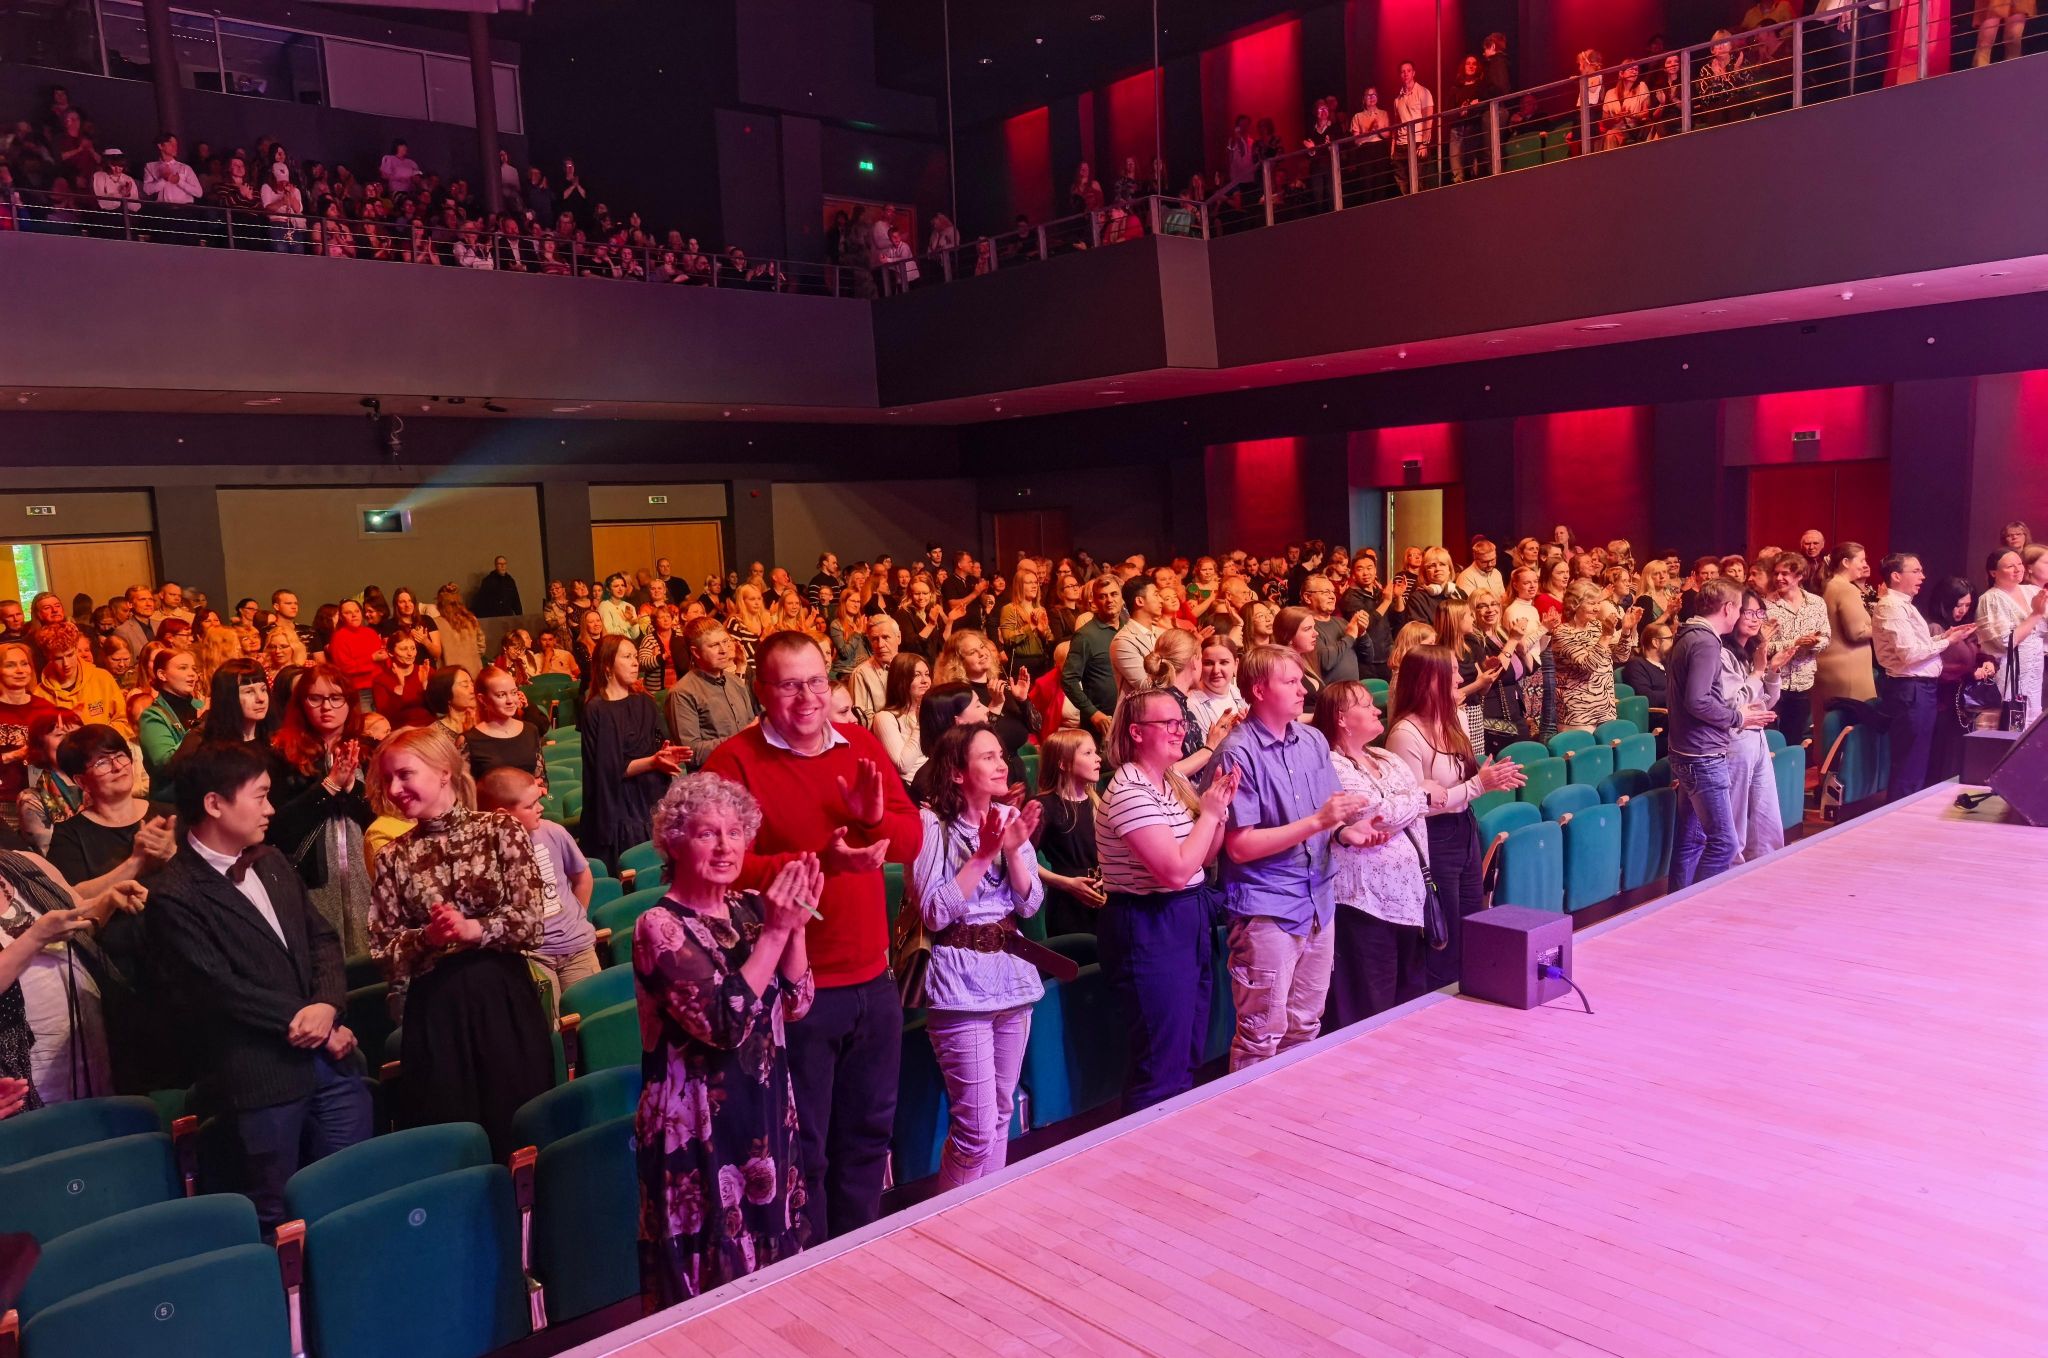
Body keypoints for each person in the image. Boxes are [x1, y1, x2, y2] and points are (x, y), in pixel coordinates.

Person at [701, 631, 922, 1242]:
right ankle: (814, 1268)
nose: (807, 697)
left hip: (873, 981)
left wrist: (872, 819)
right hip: (794, 992)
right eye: (790, 685)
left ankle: (861, 1256)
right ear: (761, 691)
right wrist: (817, 863)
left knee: (869, 1139)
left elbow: (910, 840)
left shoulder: (860, 743)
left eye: (817, 681)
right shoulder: (734, 763)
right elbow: (716, 867)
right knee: (807, 1152)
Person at [149, 741, 370, 1230]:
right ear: (214, 804)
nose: (271, 809)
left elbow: (322, 940)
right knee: (277, 1214)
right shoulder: (174, 893)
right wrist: (312, 1023)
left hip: (332, 1067)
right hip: (261, 1078)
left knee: (352, 1194)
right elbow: (218, 989)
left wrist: (328, 1006)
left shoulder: (271, 860)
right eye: (261, 796)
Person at [632, 774, 818, 1305]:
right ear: (674, 843)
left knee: (775, 1275)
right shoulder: (658, 926)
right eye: (706, 833)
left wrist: (796, 927)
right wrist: (777, 932)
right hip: (695, 1126)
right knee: (710, 1284)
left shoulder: (752, 907)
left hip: (763, 1111)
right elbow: (723, 1024)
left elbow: (797, 1003)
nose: (724, 846)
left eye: (734, 832)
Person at [368, 726, 551, 1159]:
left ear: (444, 772)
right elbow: (382, 951)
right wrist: (427, 938)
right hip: (436, 1014)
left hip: (503, 1001)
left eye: (405, 775)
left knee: (519, 1137)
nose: (394, 790)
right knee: (453, 1143)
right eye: (388, 779)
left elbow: (532, 924)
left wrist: (475, 930)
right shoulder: (393, 856)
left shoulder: (499, 829)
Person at [1207, 645, 1363, 1071]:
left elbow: (1329, 813)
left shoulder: (1312, 740)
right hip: (1267, 907)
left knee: (1305, 1026)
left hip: (1319, 900)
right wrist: (1318, 822)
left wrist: (1347, 831)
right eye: (1291, 682)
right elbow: (1239, 847)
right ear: (1259, 690)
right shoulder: (1237, 753)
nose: (1303, 690)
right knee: (1261, 1036)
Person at [911, 725, 1045, 1187]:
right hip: (959, 982)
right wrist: (985, 854)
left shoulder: (1009, 817)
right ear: (956, 772)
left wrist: (1013, 852)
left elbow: (1030, 904)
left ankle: (989, 1210)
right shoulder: (932, 826)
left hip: (1011, 973)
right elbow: (934, 912)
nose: (1002, 764)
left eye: (1001, 755)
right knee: (974, 1130)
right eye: (987, 757)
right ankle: (949, 1218)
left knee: (1002, 1113)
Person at [1094, 687, 1236, 1110]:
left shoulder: (1170, 782)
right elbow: (1174, 873)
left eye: (1181, 722)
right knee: (1160, 1063)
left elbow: (1202, 859)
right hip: (1149, 924)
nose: (1181, 731)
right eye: (1169, 723)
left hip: (1186, 917)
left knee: (1188, 1051)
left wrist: (1219, 813)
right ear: (1136, 732)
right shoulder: (1129, 791)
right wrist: (1209, 814)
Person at [1386, 647, 1524, 989]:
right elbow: (1416, 806)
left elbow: (1457, 785)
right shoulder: (1404, 734)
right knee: (1443, 931)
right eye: (1452, 671)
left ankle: (1466, 990)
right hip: (1432, 837)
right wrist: (1477, 785)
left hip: (1463, 827)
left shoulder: (1454, 719)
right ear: (1429, 680)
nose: (1460, 679)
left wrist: (1488, 777)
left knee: (1469, 918)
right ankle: (1437, 998)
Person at [1311, 681, 1431, 1025]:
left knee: (1408, 1004)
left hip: (1410, 895)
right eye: (1366, 705)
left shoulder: (1386, 757)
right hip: (1365, 903)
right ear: (1341, 718)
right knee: (1370, 1009)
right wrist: (1419, 797)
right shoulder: (1331, 764)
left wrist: (1411, 800)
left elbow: (1401, 806)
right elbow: (1375, 812)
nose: (1377, 709)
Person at [0, 838, 146, 1107]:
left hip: (89, 1041)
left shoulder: (25, 863)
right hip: (24, 1069)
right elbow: (43, 933)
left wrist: (106, 903)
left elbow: (76, 928)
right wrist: (35, 937)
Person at [1667, 580, 1777, 889]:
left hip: (1689, 750)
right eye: (1741, 609)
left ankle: (1676, 905)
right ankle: (1696, 906)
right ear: (1728, 608)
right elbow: (1698, 701)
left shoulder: (1690, 635)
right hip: (1702, 753)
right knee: (1724, 844)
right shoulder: (1706, 642)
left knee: (1692, 839)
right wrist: (1738, 717)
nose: (1743, 615)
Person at [268, 665, 375, 957]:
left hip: (366, 880)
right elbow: (278, 828)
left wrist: (352, 788)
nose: (326, 707)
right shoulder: (282, 754)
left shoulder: (369, 751)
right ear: (302, 703)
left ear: (349, 702)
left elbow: (381, 820)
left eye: (335, 698)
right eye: (315, 698)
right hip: (311, 882)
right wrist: (328, 786)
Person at [477, 766, 601, 1009]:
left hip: (577, 948)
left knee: (590, 1014)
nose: (541, 808)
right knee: (547, 1023)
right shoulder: (485, 854)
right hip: (532, 956)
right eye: (531, 805)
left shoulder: (553, 831)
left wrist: (576, 918)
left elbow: (582, 876)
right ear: (503, 815)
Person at [1874, 554, 1976, 803]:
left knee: (1917, 759)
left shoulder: (1904, 605)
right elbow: (1909, 654)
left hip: (1919, 688)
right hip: (1910, 688)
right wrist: (1948, 642)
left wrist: (1946, 636)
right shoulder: (1892, 606)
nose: (1923, 577)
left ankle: (1906, 809)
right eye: (1916, 571)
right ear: (1896, 576)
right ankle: (1899, 813)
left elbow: (1917, 646)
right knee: (1909, 761)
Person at [579, 635, 685, 870]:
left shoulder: (644, 702)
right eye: (627, 657)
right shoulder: (596, 709)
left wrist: (666, 755)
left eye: (636, 656)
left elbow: (658, 745)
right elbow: (609, 769)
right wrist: (654, 761)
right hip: (618, 804)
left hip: (651, 794)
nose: (635, 662)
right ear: (607, 665)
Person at [1723, 592, 1790, 862]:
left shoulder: (1750, 652)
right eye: (1748, 613)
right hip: (1734, 739)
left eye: (1759, 613)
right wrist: (1758, 672)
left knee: (1765, 812)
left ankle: (1766, 864)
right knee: (1736, 813)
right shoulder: (1722, 653)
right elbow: (1736, 704)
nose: (1755, 619)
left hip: (1756, 737)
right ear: (1733, 613)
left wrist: (1772, 671)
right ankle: (1732, 870)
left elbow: (1765, 703)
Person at [1030, 728, 1105, 938]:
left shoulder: (1098, 801)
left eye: (1095, 752)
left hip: (1103, 898)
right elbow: (1022, 860)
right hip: (1067, 905)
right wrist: (1067, 884)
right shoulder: (1044, 806)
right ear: (1063, 764)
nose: (1098, 758)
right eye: (1088, 753)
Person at [1924, 578, 1995, 784]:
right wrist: (1971, 673)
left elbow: (1977, 653)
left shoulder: (1961, 627)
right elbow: (1941, 668)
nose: (1963, 610)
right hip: (1942, 703)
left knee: (1955, 758)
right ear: (1944, 603)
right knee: (1941, 758)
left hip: (1960, 704)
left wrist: (1987, 662)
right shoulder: (1936, 628)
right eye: (1958, 605)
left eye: (1967, 605)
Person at [665, 619, 757, 771]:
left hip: (747, 769)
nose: (724, 650)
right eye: (714, 645)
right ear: (695, 652)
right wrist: (742, 737)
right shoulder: (682, 693)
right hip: (713, 778)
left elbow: (750, 727)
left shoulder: (735, 682)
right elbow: (690, 753)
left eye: (725, 641)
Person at [1974, 547, 2047, 730]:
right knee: (2011, 722)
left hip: (2034, 670)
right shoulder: (1991, 599)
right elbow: (2005, 642)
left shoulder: (2032, 591)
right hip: (2010, 672)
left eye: (2020, 564)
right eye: (2010, 566)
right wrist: (2035, 614)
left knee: (2032, 724)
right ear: (1993, 573)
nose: (2018, 569)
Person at [1551, 581, 1638, 731]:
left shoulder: (1597, 626)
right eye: (1592, 603)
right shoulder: (1562, 633)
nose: (1597, 608)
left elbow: (1620, 657)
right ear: (1574, 604)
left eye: (1598, 603)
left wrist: (1625, 631)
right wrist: (1605, 636)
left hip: (1605, 708)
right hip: (1578, 712)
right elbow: (1588, 665)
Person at [1762, 553, 1829, 745]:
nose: (1778, 578)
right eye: (1776, 573)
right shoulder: (1765, 605)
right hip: (1773, 683)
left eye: (1785, 573)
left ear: (1800, 575)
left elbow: (1826, 637)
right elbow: (1761, 646)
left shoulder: (1816, 603)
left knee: (1794, 738)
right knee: (1771, 740)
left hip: (1803, 681)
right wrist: (1795, 643)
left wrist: (1814, 643)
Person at [0, 642, 57, 833]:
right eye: (10, 665)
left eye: (24, 664)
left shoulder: (46, 709)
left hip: (41, 801)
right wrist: (13, 755)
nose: (20, 670)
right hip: (3, 802)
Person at [33, 622, 128, 733]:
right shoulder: (40, 695)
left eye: (70, 655)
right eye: (58, 658)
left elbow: (124, 720)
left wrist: (103, 738)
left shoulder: (102, 678)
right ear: (48, 657)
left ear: (75, 649)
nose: (66, 664)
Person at [1061, 577, 1122, 740]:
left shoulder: (1128, 627)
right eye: (1102, 596)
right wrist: (1092, 712)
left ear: (1121, 597)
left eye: (1114, 594)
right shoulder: (1085, 635)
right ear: (1094, 602)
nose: (1109, 600)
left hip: (1128, 718)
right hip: (1102, 725)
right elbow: (1068, 680)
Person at [465, 666, 545, 782]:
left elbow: (541, 778)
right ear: (482, 699)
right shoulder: (470, 741)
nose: (510, 700)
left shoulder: (530, 730)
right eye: (501, 695)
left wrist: (538, 788)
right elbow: (462, 788)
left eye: (514, 693)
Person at [871, 652, 930, 783]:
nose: (925, 680)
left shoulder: (931, 710)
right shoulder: (884, 718)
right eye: (917, 675)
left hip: (938, 781)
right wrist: (920, 725)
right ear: (901, 680)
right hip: (913, 787)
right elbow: (903, 766)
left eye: (927, 674)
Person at [431, 584, 486, 677]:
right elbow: (481, 647)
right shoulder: (471, 620)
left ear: (440, 604)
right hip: (475, 674)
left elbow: (436, 655)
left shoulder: (435, 623)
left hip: (451, 677)